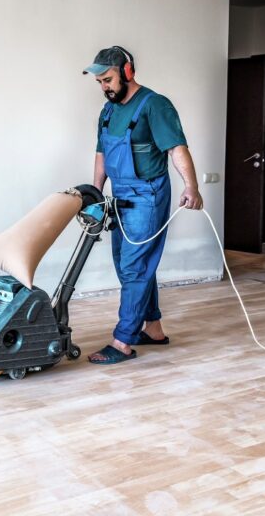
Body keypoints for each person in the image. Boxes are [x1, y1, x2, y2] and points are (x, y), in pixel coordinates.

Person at [82, 46, 203, 364]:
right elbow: (101, 154)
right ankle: (153, 329)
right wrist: (95, 193)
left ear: (127, 71)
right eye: (100, 82)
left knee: (135, 267)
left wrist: (192, 186)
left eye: (108, 79)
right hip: (120, 196)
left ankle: (122, 341)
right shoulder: (107, 112)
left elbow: (177, 148)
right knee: (128, 264)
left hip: (147, 197)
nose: (105, 87)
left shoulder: (155, 105)